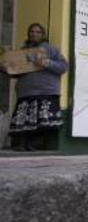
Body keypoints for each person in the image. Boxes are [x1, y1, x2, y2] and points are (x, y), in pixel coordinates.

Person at [2, 23, 68, 151]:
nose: (34, 34)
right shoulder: (21, 52)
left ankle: (34, 144)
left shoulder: (51, 50)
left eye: (38, 32)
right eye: (31, 31)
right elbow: (16, 73)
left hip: (45, 90)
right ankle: (21, 144)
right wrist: (7, 69)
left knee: (40, 121)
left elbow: (63, 67)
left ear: (43, 34)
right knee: (23, 120)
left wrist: (47, 62)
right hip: (25, 92)